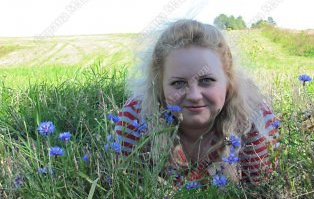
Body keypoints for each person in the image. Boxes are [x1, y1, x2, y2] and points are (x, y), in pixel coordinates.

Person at [115, 19, 279, 187]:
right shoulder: (136, 117)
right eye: (178, 83)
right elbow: (125, 192)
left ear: (228, 81)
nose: (193, 95)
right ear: (159, 86)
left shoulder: (253, 120)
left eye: (206, 80)